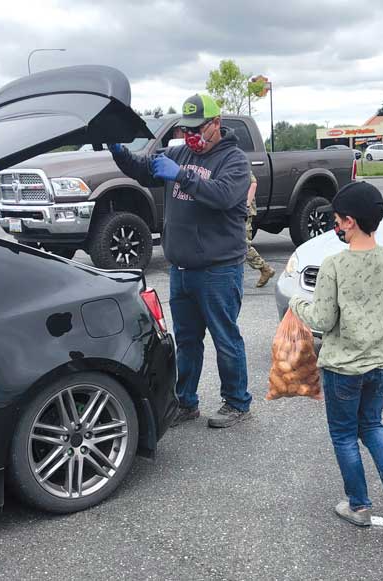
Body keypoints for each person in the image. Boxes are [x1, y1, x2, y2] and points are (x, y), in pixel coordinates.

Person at [108, 93, 253, 429]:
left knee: (225, 338)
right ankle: (186, 402)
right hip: (182, 269)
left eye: (198, 127)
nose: (191, 134)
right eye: (186, 128)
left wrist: (183, 176)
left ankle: (237, 402)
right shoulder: (179, 152)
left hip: (218, 269)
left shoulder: (234, 161)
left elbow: (222, 196)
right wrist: (117, 149)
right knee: (186, 342)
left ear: (216, 124)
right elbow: (143, 170)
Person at [288, 181, 383, 530]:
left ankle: (359, 505)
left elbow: (322, 319)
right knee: (372, 424)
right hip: (380, 364)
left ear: (349, 221)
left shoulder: (334, 266)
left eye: (337, 219)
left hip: (343, 367)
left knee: (344, 435)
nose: (336, 225)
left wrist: (296, 302)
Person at [245, 172, 275, 287]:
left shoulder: (238, 161)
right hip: (234, 210)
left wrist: (246, 205)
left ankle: (265, 269)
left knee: (242, 244)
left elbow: (253, 184)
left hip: (242, 212)